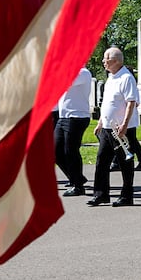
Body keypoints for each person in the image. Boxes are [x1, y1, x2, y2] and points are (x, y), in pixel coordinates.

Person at [88, 47, 138, 207]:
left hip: (122, 129)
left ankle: (127, 196)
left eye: (106, 59)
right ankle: (101, 194)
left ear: (116, 61)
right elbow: (107, 103)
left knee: (125, 163)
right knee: (102, 161)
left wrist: (124, 125)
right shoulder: (111, 77)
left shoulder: (126, 78)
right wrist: (101, 122)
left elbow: (131, 103)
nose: (103, 62)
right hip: (108, 128)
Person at [55, 67, 92, 197]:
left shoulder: (82, 72)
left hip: (77, 117)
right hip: (64, 116)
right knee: (56, 150)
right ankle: (77, 178)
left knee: (71, 151)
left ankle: (78, 186)